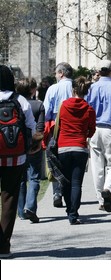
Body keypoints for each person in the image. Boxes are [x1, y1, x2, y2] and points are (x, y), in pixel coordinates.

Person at [0, 65, 37, 258]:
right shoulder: (20, 100)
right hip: (15, 156)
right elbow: (31, 126)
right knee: (9, 198)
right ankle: (3, 245)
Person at [87, 59, 111, 212]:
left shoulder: (92, 89)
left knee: (97, 166)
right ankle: (108, 188)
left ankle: (101, 200)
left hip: (95, 129)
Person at [57, 76, 96, 224]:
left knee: (66, 182)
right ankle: (73, 213)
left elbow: (58, 125)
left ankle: (69, 209)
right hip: (80, 147)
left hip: (63, 147)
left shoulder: (63, 105)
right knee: (76, 183)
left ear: (73, 89)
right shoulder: (89, 109)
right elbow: (92, 130)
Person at [43, 62, 73, 208]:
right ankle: (70, 191)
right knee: (71, 160)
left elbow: (46, 111)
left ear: (61, 73)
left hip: (57, 128)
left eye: (56, 73)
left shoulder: (53, 89)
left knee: (54, 160)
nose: (55, 76)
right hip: (74, 128)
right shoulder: (76, 88)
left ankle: (57, 193)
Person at [16, 78, 45, 223]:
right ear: (32, 90)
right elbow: (40, 127)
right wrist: (37, 145)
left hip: (18, 145)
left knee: (21, 179)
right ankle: (31, 207)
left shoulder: (15, 103)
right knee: (34, 177)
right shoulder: (38, 105)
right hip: (33, 144)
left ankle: (21, 211)